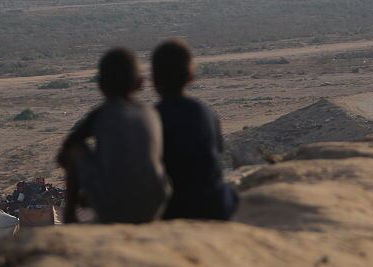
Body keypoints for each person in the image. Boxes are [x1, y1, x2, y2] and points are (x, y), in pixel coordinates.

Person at [57, 47, 169, 223]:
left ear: (101, 85)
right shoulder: (151, 113)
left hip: (114, 208)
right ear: (141, 82)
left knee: (75, 149)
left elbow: (65, 153)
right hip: (155, 205)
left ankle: (70, 215)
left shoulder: (103, 113)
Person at [152, 38, 238, 220]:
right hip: (216, 205)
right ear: (191, 76)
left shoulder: (153, 118)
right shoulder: (207, 112)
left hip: (177, 208)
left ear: (153, 79)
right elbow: (216, 152)